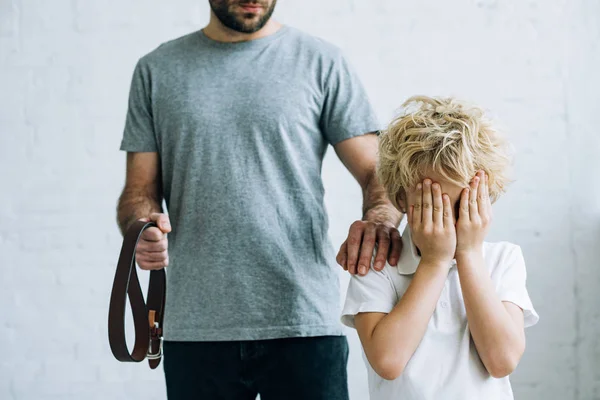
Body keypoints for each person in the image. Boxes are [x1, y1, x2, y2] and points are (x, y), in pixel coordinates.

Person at [116, 1, 402, 398]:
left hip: (303, 319)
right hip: (196, 327)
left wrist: (381, 220)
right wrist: (142, 225)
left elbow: (379, 174)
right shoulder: (157, 69)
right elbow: (139, 191)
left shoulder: (322, 61)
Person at [341, 96, 539, 400]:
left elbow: (502, 361)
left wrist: (469, 254)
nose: (448, 223)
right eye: (434, 206)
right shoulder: (378, 261)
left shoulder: (503, 260)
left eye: (463, 206)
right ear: (401, 199)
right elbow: (388, 361)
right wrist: (434, 262)